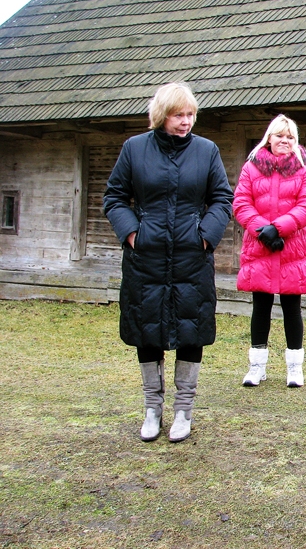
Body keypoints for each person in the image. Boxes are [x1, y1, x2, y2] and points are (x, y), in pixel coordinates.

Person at [104, 82, 233, 443]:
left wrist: (205, 236)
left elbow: (222, 198)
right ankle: (151, 409)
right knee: (147, 327)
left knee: (192, 328)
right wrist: (133, 234)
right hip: (146, 258)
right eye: (179, 115)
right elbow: (114, 197)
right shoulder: (134, 149)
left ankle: (183, 412)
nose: (186, 121)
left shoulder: (207, 151)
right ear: (162, 116)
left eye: (191, 114)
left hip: (192, 259)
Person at [233, 114, 306, 389]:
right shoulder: (250, 168)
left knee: (292, 308)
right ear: (269, 138)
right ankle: (256, 367)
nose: (285, 141)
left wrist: (279, 229)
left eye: (290, 136)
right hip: (260, 246)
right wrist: (263, 230)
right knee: (261, 306)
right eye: (280, 135)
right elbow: (241, 202)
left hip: (291, 247)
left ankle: (295, 368)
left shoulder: (305, 170)